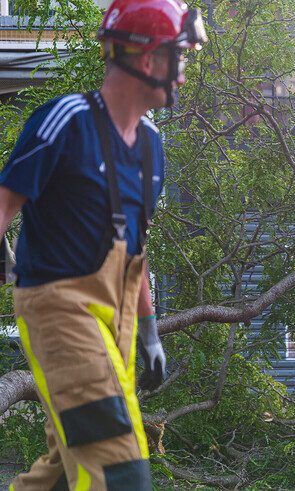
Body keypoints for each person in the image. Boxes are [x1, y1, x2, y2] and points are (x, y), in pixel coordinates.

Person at [0, 0, 206, 488]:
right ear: (149, 60)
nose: (183, 74)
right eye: (180, 57)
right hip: (60, 310)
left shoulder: (153, 145)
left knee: (62, 468)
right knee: (119, 466)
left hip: (119, 320)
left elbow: (135, 249)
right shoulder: (65, 121)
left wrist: (150, 330)